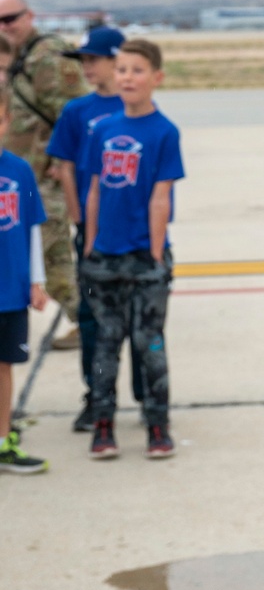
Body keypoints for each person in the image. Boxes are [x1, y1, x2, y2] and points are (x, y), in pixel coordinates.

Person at [81, 39, 184, 461]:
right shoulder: (102, 130)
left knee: (149, 342)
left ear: (156, 78)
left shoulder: (164, 132)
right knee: (106, 342)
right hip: (105, 255)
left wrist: (156, 254)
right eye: (121, 69)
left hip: (146, 255)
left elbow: (161, 197)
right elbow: (93, 191)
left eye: (137, 70)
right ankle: (102, 421)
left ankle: (157, 421)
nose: (127, 77)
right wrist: (90, 245)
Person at [46, 26, 144, 432]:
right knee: (92, 318)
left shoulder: (137, 107)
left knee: (142, 317)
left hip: (135, 233)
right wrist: (78, 217)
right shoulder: (77, 111)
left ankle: (148, 397)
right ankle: (96, 398)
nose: (86, 66)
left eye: (93, 59)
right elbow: (64, 165)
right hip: (93, 231)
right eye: (82, 60)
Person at [0, 0, 87, 347]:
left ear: (30, 16)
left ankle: (87, 320)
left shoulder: (48, 57)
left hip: (45, 178)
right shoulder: (19, 58)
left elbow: (76, 113)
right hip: (23, 177)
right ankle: (85, 319)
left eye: (10, 19)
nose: (4, 27)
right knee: (53, 257)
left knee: (48, 253)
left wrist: (61, 160)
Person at [0, 86, 50, 474]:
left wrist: (36, 281)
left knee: (5, 366)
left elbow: (33, 230)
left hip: (11, 294)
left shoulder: (19, 169)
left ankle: (3, 440)